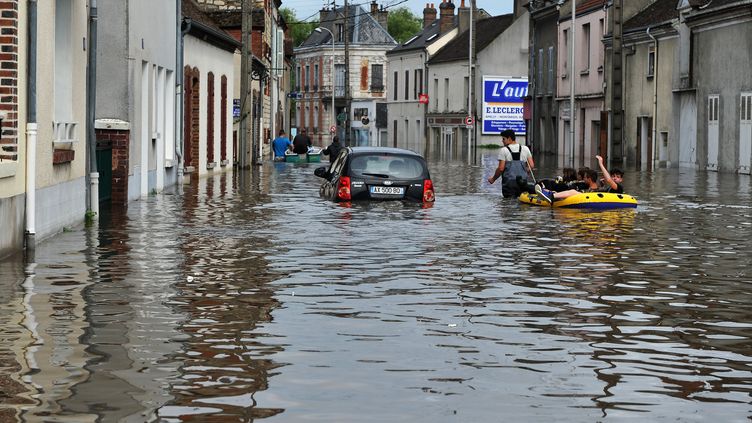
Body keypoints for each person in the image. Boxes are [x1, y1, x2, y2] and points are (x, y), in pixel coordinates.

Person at [536, 155, 625, 203]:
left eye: (617, 177)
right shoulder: (610, 188)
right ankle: (550, 194)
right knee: (572, 192)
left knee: (574, 192)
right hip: (596, 198)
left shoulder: (619, 188)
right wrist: (602, 184)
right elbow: (604, 187)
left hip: (597, 199)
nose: (615, 178)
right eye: (613, 176)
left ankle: (552, 196)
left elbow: (609, 180)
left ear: (621, 180)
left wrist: (601, 164)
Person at [487, 129, 535, 198]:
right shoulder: (525, 148)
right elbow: (532, 166)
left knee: (508, 204)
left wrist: (493, 179)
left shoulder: (504, 150)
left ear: (509, 138)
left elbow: (501, 169)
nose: (502, 141)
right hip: (523, 183)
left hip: (509, 185)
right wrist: (525, 172)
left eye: (503, 139)